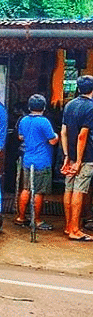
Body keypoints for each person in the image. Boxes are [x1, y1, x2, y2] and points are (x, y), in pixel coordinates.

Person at [15, 94, 59, 230]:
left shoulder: (23, 120)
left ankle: (20, 217)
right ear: (44, 107)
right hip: (42, 160)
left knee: (26, 189)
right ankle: (37, 220)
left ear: (29, 107)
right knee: (39, 192)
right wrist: (57, 135)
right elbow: (52, 141)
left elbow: (20, 137)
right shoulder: (44, 121)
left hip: (28, 159)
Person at [60, 75, 93, 241]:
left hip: (71, 155)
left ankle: (68, 226)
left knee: (69, 189)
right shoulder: (91, 107)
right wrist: (79, 161)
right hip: (85, 157)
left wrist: (67, 155)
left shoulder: (69, 105)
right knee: (79, 191)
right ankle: (75, 229)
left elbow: (63, 132)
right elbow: (83, 136)